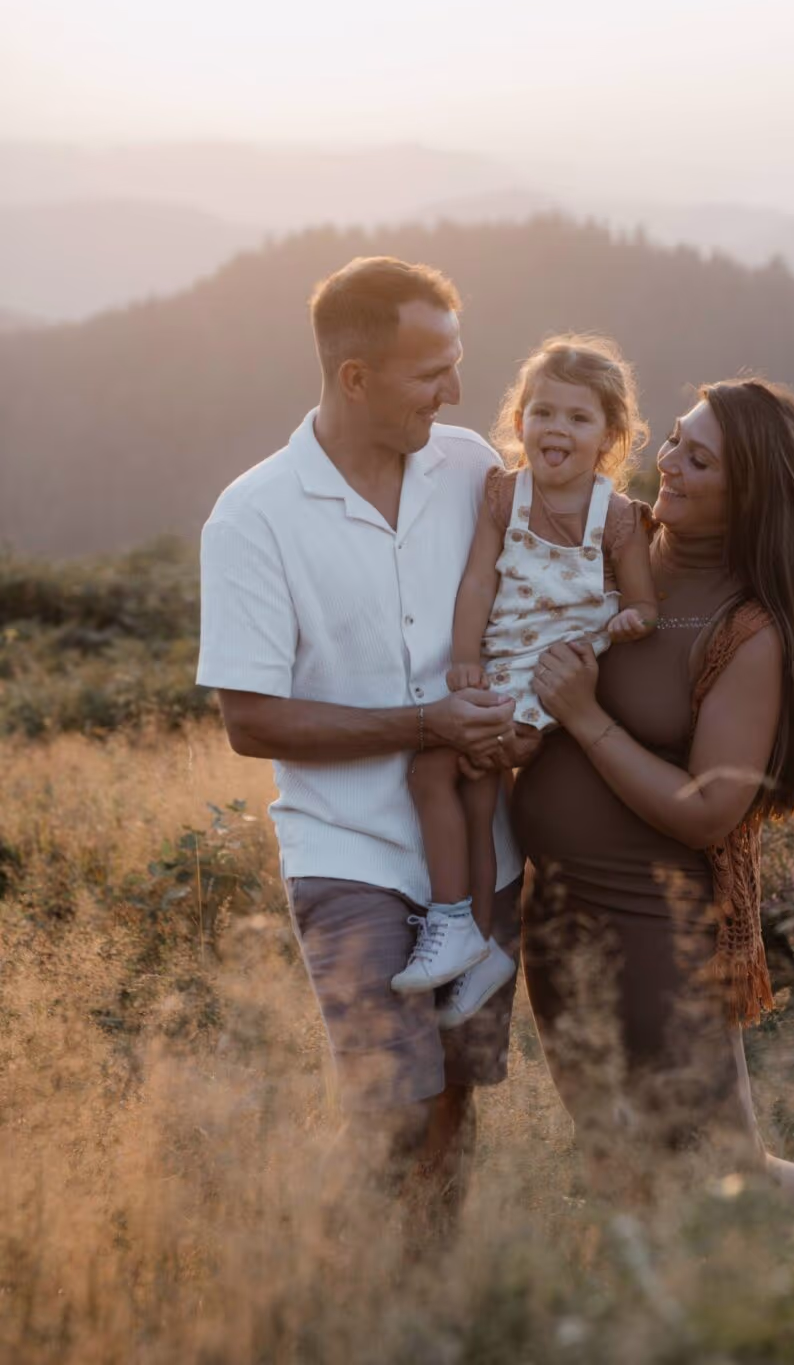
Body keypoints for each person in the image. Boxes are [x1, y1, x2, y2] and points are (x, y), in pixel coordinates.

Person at [196, 255, 523, 1213]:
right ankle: (349, 1290)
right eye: (433, 373)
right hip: (348, 852)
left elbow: (551, 574)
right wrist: (425, 723)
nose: (456, 392)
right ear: (355, 377)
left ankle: (428, 1303)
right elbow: (248, 720)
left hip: (485, 852)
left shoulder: (470, 466)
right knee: (392, 1104)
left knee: (456, 1096)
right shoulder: (253, 516)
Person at [515, 378, 794, 1210]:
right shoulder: (609, 538)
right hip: (556, 908)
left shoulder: (748, 629)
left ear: (750, 497)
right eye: (671, 440)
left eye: (699, 460)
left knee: (723, 1167)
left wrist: (584, 719)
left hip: (657, 921)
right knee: (611, 1151)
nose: (668, 464)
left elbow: (708, 810)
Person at [393, 335, 658, 1025]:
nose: (556, 429)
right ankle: (479, 947)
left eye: (577, 418)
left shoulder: (618, 518)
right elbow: (479, 577)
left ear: (608, 436)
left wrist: (631, 620)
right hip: (496, 672)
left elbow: (643, 601)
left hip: (548, 683)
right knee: (478, 796)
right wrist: (463, 658)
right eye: (542, 412)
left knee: (431, 768)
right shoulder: (502, 496)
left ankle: (453, 921)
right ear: (519, 422)